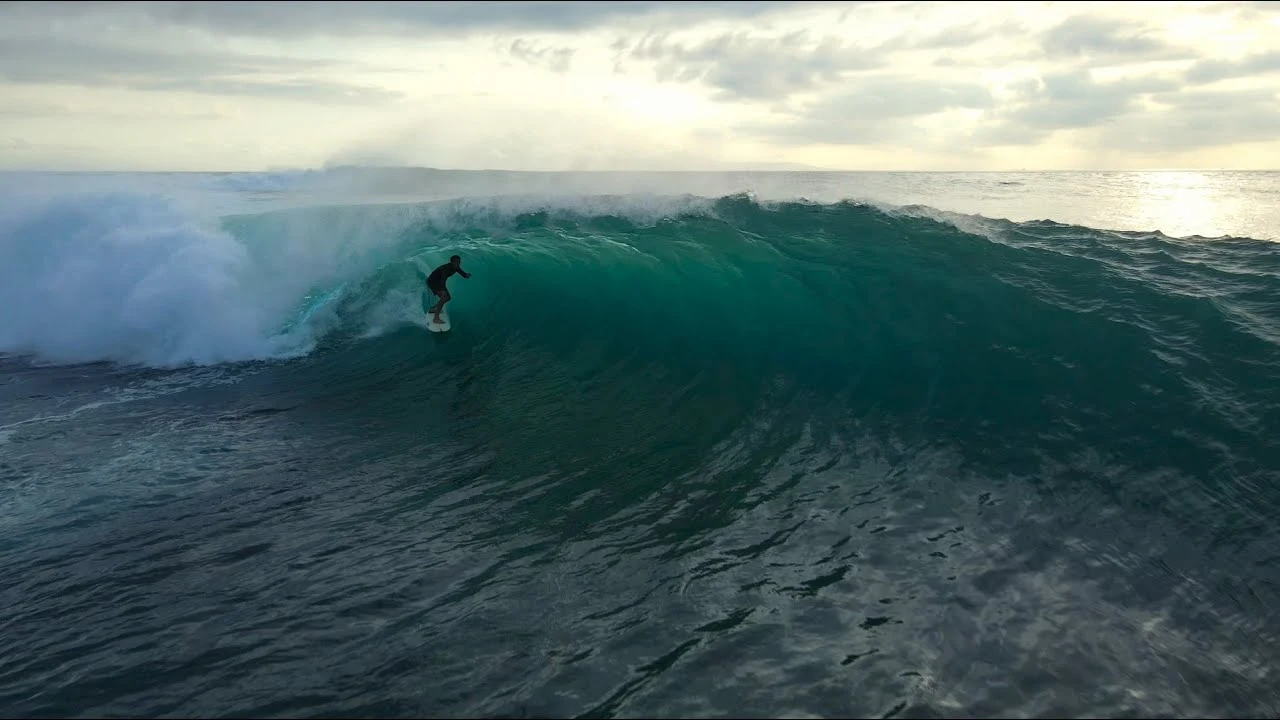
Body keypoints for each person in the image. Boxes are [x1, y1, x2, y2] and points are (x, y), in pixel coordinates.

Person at [426, 254, 471, 325]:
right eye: (456, 262)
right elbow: (443, 280)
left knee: (448, 298)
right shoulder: (446, 268)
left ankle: (433, 309)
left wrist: (467, 275)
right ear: (452, 262)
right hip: (433, 281)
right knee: (444, 298)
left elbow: (463, 274)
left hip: (438, 281)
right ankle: (436, 318)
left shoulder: (456, 267)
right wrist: (443, 291)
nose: (458, 263)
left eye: (459, 262)